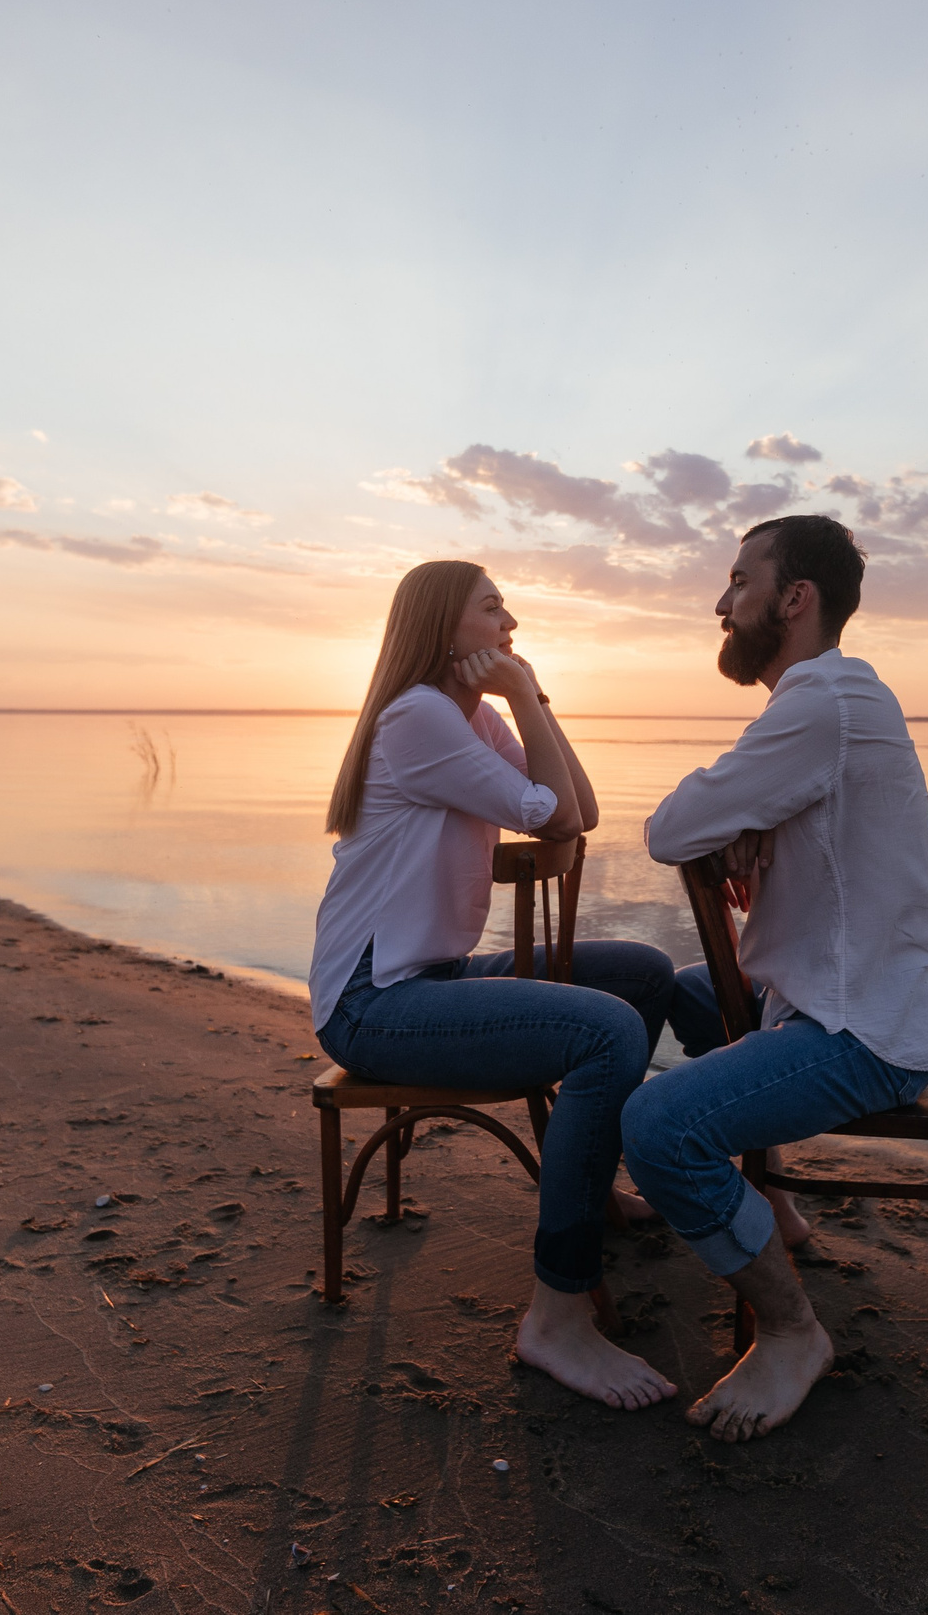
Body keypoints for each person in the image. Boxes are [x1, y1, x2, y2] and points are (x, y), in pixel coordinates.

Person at [622, 515, 928, 1441]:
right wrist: (751, 825)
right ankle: (768, 1203)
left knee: (656, 1125)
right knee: (669, 987)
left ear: (795, 598)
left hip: (863, 1030)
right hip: (830, 993)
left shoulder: (820, 705)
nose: (723, 603)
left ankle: (790, 1330)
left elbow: (665, 829)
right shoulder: (834, 703)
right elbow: (732, 815)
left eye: (741, 581)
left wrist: (733, 819)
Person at [310, 560, 678, 1410]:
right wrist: (520, 697)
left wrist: (529, 696)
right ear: (446, 629)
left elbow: (578, 806)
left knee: (642, 974)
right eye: (492, 607)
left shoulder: (467, 718)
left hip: (425, 974)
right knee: (607, 1033)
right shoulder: (419, 718)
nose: (511, 621)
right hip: (374, 1000)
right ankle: (556, 1315)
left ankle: (587, 1185)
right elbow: (552, 814)